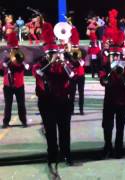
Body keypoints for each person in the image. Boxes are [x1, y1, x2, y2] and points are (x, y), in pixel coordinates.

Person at [35, 22, 75, 166]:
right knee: (51, 132)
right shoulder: (39, 64)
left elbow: (72, 75)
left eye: (55, 54)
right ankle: (52, 155)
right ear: (46, 54)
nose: (54, 56)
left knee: (65, 131)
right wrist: (49, 63)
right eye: (51, 54)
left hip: (63, 102)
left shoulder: (62, 65)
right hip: (47, 103)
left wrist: (64, 64)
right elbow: (38, 73)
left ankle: (66, 154)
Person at [100, 9, 125, 159]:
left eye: (117, 55)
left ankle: (119, 148)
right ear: (109, 56)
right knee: (107, 126)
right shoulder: (106, 66)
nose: (115, 57)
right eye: (113, 56)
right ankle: (107, 146)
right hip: (109, 101)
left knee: (120, 127)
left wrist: (121, 72)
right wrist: (110, 73)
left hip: (123, 102)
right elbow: (102, 81)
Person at [1, 31, 29, 128]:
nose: (14, 49)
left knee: (21, 104)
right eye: (12, 48)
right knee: (8, 105)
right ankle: (5, 122)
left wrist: (23, 62)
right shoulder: (5, 55)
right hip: (8, 84)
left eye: (15, 48)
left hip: (19, 84)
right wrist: (4, 64)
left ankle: (24, 121)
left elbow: (24, 67)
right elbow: (1, 67)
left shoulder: (20, 54)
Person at [69, 26, 85, 115]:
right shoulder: (69, 53)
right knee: (72, 94)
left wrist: (79, 59)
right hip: (73, 76)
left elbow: (82, 62)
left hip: (81, 75)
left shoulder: (81, 52)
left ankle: (81, 109)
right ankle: (71, 110)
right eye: (73, 46)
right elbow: (69, 64)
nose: (74, 47)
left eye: (76, 46)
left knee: (81, 93)